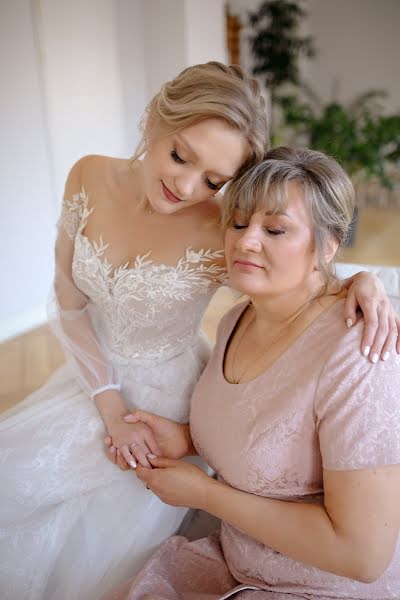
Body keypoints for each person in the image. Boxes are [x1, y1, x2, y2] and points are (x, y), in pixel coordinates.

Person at [0, 61, 396, 600]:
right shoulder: (88, 176)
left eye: (213, 181)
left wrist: (366, 280)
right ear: (155, 118)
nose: (185, 186)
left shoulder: (223, 228)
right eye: (179, 155)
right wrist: (114, 403)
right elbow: (70, 305)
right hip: (97, 377)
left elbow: (304, 264)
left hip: (173, 389)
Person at [108, 147, 400, 600]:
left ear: (328, 244)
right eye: (239, 223)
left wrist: (205, 495)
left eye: (276, 229)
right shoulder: (235, 321)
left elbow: (362, 555)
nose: (245, 241)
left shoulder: (357, 355)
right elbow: (272, 431)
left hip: (318, 588)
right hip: (237, 561)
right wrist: (186, 438)